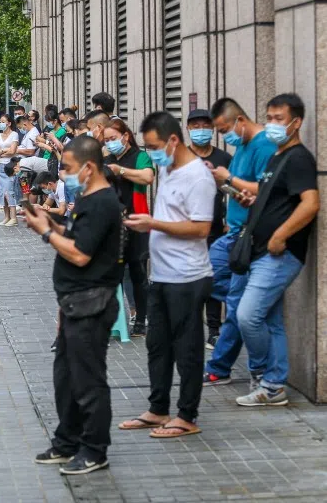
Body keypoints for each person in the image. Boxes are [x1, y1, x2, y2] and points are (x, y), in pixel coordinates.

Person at [23, 136, 123, 475]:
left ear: (89, 167)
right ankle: (67, 441)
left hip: (92, 304)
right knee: (66, 378)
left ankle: (95, 449)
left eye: (66, 168)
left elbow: (80, 254)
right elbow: (74, 235)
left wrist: (45, 233)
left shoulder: (102, 202)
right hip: (73, 303)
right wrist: (49, 222)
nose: (62, 174)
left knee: (88, 381)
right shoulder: (86, 199)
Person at [120, 111, 215, 439]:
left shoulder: (198, 177)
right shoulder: (168, 168)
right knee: (157, 346)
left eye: (154, 146)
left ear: (173, 140)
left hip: (188, 277)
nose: (152, 152)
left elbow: (202, 228)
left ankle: (187, 415)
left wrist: (153, 224)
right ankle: (158, 409)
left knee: (187, 349)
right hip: (162, 276)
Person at [232, 93, 319, 407]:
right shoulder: (276, 157)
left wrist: (280, 236)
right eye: (268, 117)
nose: (272, 124)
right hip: (260, 252)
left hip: (279, 255)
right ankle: (274, 385)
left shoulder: (298, 158)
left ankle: (263, 375)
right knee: (270, 321)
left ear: (296, 123)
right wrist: (250, 200)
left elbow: (310, 203)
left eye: (279, 119)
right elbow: (273, 199)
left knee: (247, 316)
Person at [203, 98, 277, 386]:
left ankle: (230, 367)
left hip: (248, 236)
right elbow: (244, 190)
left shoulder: (263, 146)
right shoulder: (243, 147)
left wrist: (229, 177)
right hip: (232, 233)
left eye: (224, 129)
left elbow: (268, 188)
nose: (224, 136)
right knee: (207, 278)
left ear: (240, 121)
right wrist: (227, 184)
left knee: (237, 303)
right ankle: (222, 364)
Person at [185, 109, 233, 348]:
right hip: (187, 230)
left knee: (213, 279)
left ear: (212, 129)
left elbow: (234, 192)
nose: (200, 130)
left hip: (215, 228)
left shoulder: (224, 158)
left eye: (205, 125)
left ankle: (214, 330)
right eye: (195, 126)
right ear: (188, 129)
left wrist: (228, 222)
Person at [103, 118, 154, 336]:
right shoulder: (108, 158)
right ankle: (120, 318)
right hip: (114, 225)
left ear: (125, 136)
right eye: (106, 140)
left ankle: (142, 319)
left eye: (113, 138)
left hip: (137, 222)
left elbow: (147, 177)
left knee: (138, 273)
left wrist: (120, 171)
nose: (110, 143)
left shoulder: (139, 156)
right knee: (115, 273)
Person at [0, 114, 20, 226]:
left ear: (9, 123)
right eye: (1, 121)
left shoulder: (14, 135)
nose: (1, 123)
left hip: (10, 166)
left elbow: (12, 151)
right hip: (0, 166)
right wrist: (4, 150)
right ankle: (6, 217)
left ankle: (14, 217)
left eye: (4, 121)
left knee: (9, 191)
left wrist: (1, 151)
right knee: (2, 192)